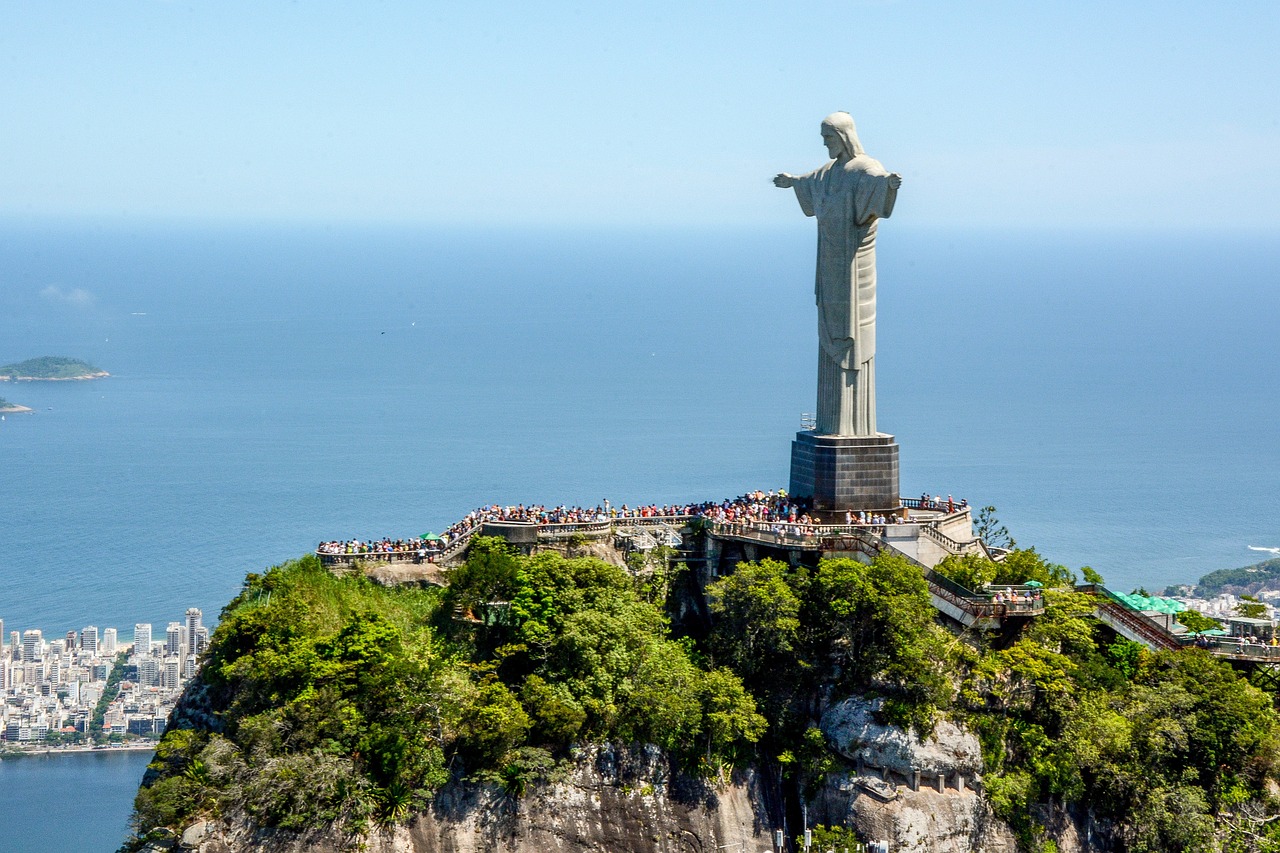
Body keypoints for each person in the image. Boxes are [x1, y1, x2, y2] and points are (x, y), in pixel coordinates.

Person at [775, 112, 902, 436]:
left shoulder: (865, 169)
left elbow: (878, 187)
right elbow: (810, 184)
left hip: (853, 267)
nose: (825, 144)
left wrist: (888, 185)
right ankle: (833, 424)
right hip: (830, 266)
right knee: (830, 331)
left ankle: (854, 427)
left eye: (828, 137)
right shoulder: (829, 173)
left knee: (854, 336)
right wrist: (792, 182)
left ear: (844, 136)